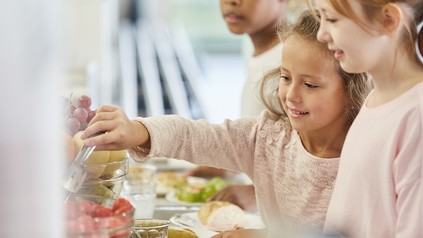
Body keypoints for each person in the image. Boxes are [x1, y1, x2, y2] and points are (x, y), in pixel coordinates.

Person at [81, 10, 371, 236]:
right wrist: (136, 130)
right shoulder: (268, 135)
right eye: (285, 77)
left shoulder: (366, 155)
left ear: (352, 89)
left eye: (310, 85)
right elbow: (194, 135)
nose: (291, 95)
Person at [311, 1, 423, 237]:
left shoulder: (416, 114)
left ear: (389, 20)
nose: (321, 34)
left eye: (331, 19)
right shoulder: (377, 97)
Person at [187, 0, 289, 212]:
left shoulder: (290, 60)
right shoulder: (253, 46)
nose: (232, 2)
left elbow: (316, 155)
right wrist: (233, 163)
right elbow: (268, 142)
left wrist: (257, 193)